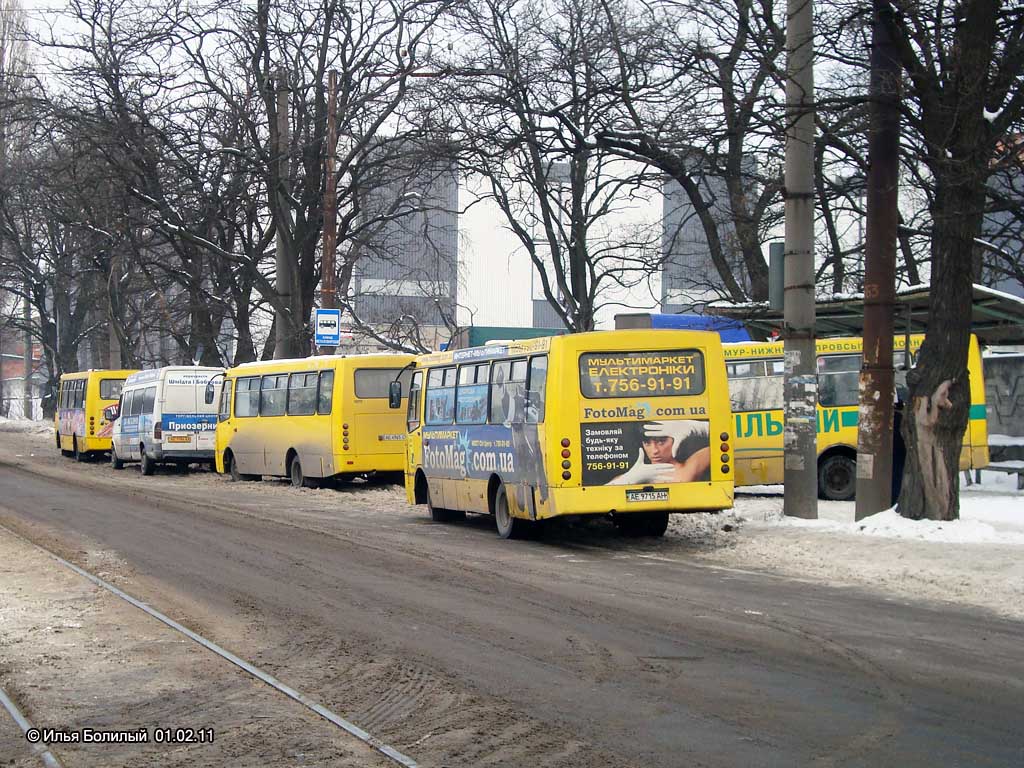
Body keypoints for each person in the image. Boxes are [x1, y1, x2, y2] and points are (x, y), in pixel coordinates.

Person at [608, 419, 711, 485]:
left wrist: (697, 427)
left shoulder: (691, 466)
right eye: (647, 443)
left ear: (675, 438)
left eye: (661, 442)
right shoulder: (633, 475)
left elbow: (725, 439)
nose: (655, 451)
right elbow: (596, 501)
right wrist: (626, 480)